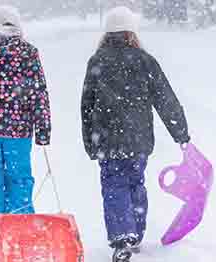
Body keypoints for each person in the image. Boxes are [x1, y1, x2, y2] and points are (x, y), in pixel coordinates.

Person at [81, 7, 191, 262]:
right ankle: (135, 234)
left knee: (114, 184)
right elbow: (166, 99)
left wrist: (90, 141)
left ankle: (122, 238)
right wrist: (180, 132)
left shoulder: (98, 61)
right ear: (132, 32)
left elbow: (86, 105)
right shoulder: (144, 60)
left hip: (107, 139)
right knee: (135, 182)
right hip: (138, 139)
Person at [0, 6, 52, 259]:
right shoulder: (28, 51)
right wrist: (43, 128)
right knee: (20, 183)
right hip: (19, 131)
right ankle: (20, 242)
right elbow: (39, 92)